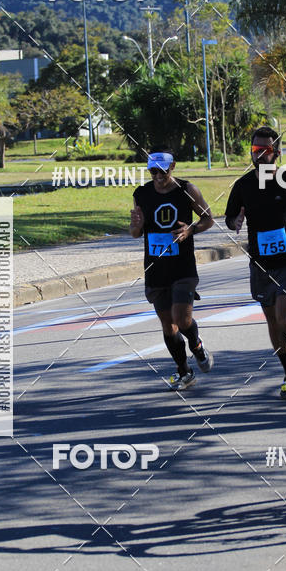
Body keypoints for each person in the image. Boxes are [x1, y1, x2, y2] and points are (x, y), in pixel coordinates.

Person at [224, 125, 286, 399]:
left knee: (284, 317)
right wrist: (236, 221)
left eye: (265, 150)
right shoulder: (244, 185)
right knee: (271, 319)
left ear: (277, 153)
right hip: (260, 263)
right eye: (255, 150)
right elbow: (230, 217)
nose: (259, 155)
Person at [130, 151, 214, 391]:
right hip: (156, 268)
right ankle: (184, 371)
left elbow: (208, 218)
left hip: (182, 266)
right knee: (168, 325)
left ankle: (196, 346)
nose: (158, 175)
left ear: (173, 166)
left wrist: (190, 230)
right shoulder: (141, 194)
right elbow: (135, 232)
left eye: (162, 170)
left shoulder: (187, 190)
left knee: (181, 319)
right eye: (153, 171)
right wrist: (136, 226)